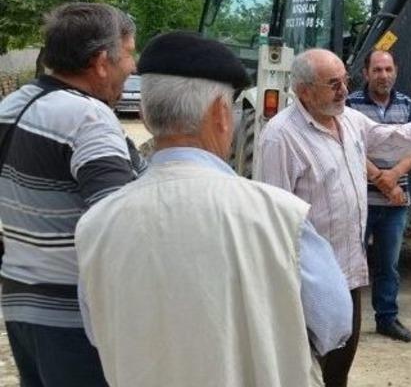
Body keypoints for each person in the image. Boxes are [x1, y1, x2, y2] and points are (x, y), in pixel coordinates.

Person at [74, 32, 353, 386]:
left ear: (145, 116)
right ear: (222, 115)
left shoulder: (95, 226)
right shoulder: (281, 216)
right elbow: (334, 323)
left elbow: (99, 332)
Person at [256, 48, 411, 387]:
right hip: (308, 280)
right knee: (301, 369)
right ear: (304, 91)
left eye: (345, 81)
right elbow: (274, 220)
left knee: (339, 367)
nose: (344, 90)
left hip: (349, 272)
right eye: (333, 84)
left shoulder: (349, 119)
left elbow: (394, 139)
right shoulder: (281, 137)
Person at [0, 2, 144, 386]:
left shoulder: (11, 106)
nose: (132, 67)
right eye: (129, 54)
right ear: (100, 61)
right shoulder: (88, 119)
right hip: (75, 319)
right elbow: (117, 225)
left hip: (20, 305)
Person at [345, 50, 411, 342]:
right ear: (366, 73)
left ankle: (387, 319)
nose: (383, 75)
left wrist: (394, 176)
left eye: (388, 69)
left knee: (388, 265)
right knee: (350, 262)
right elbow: (349, 147)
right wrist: (381, 178)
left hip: (395, 202)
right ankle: (345, 323)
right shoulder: (350, 104)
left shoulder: (406, 105)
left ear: (396, 71)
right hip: (359, 200)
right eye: (377, 70)